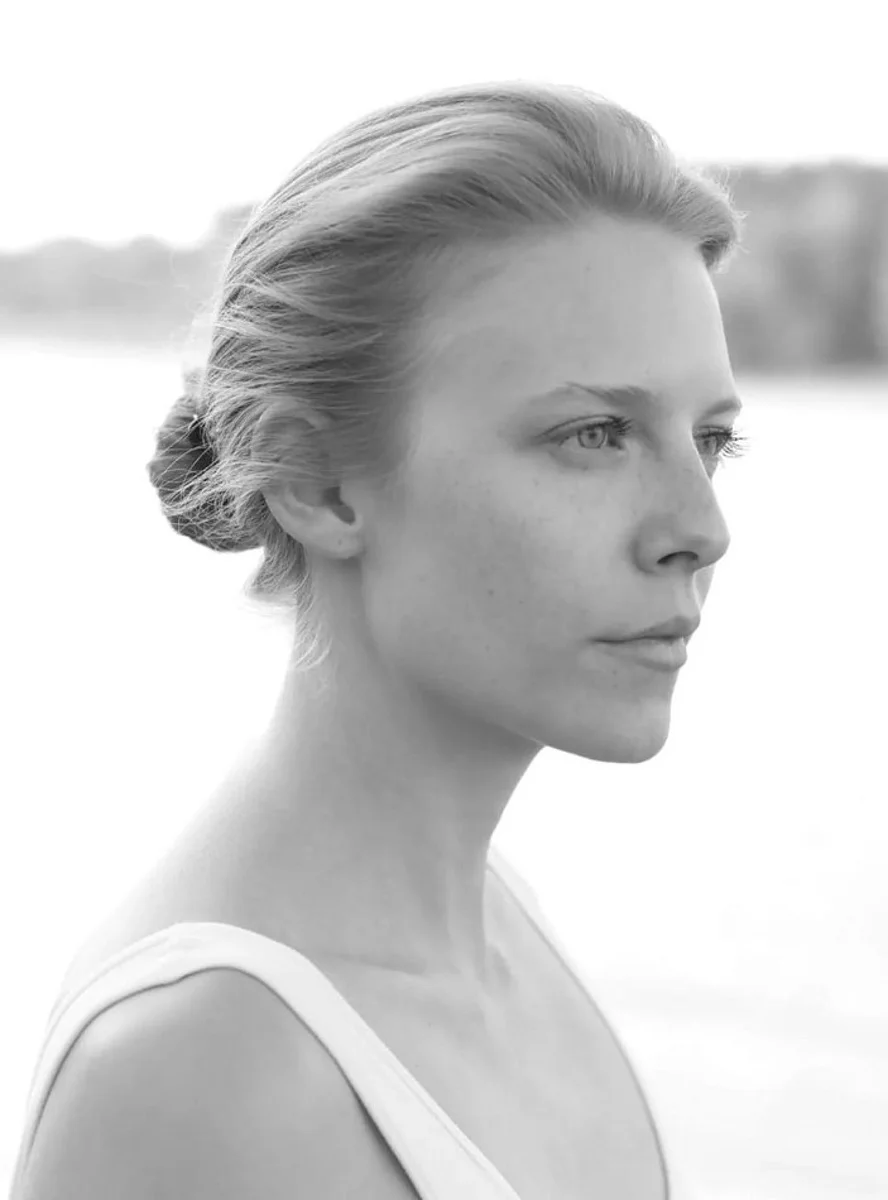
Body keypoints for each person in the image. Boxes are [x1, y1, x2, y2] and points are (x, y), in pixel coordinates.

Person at [12, 79, 746, 1199]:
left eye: (712, 441)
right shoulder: (203, 1070)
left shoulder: (504, 923)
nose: (701, 529)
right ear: (319, 483)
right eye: (595, 433)